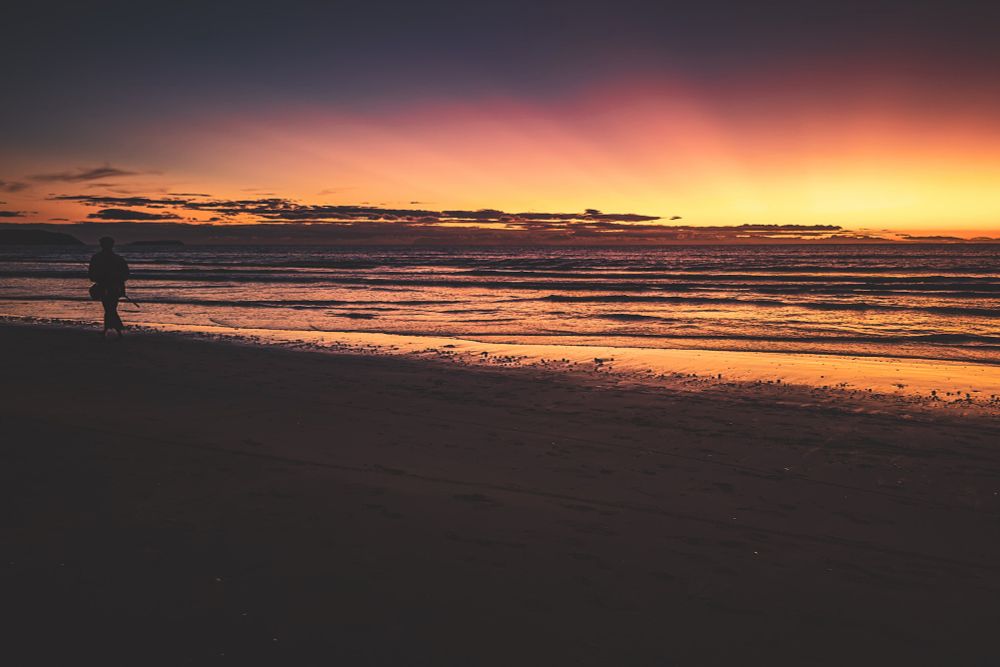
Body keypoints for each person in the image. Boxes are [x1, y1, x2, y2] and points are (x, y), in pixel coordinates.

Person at [88, 236, 130, 338]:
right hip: (112, 286)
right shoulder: (118, 258)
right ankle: (113, 330)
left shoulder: (97, 258)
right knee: (110, 308)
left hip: (109, 286)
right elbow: (125, 275)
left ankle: (114, 330)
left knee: (109, 308)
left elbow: (91, 274)